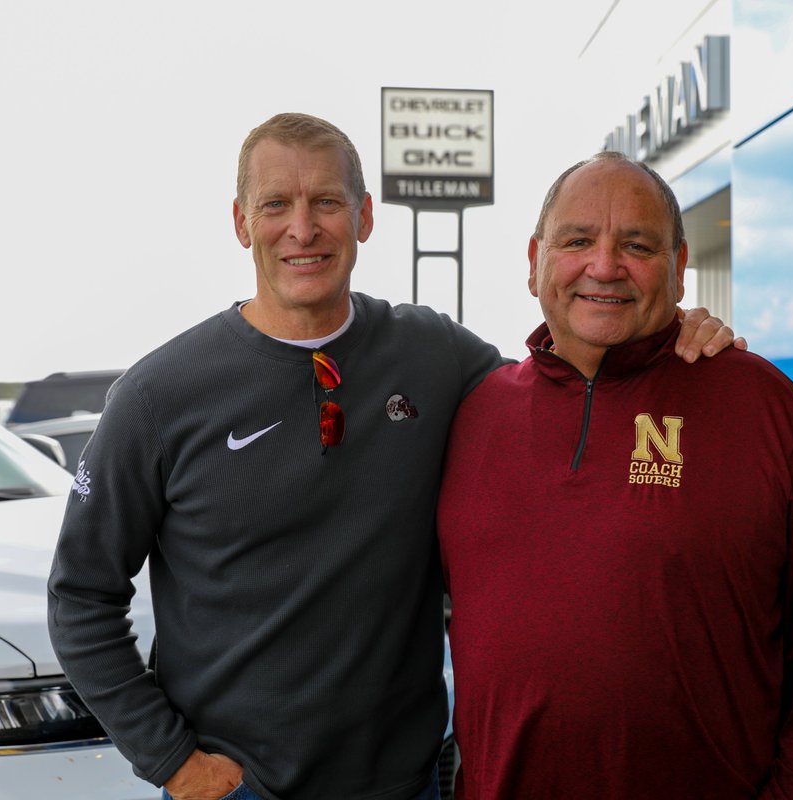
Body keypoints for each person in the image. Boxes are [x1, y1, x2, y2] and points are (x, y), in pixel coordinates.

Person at [46, 113, 741, 800]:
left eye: (327, 202)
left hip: (407, 785)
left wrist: (672, 326)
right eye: (276, 205)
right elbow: (81, 596)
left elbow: (561, 386)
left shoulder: (431, 353)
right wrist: (171, 760)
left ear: (365, 216)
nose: (303, 228)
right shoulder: (157, 395)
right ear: (240, 222)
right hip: (238, 789)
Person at [437, 151, 793, 799]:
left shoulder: (764, 408)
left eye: (636, 245)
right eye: (577, 240)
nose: (604, 265)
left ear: (678, 268)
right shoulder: (473, 413)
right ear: (535, 262)